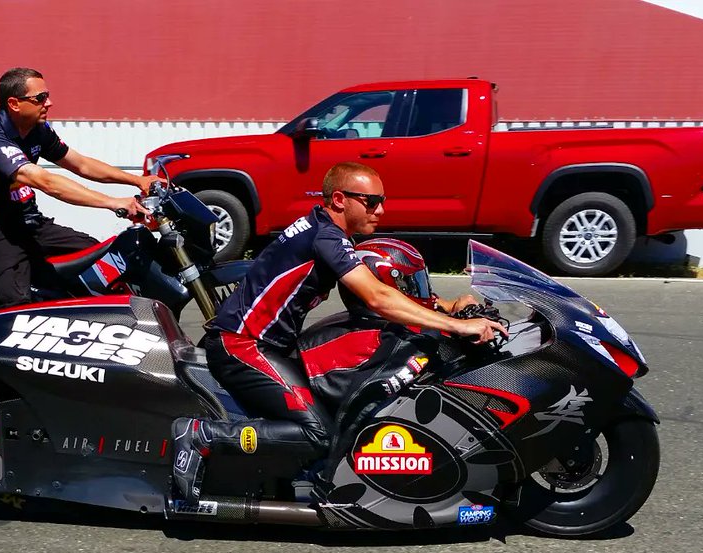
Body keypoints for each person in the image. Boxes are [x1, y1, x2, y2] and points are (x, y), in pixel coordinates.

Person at [171, 161, 507, 502]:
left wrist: (446, 305)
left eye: (382, 201)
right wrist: (457, 325)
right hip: (241, 346)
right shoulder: (326, 236)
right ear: (339, 200)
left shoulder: (323, 230)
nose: (381, 210)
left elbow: (387, 291)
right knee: (317, 433)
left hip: (268, 345)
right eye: (372, 202)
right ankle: (203, 435)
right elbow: (376, 297)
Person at [0, 67, 160, 307]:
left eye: (47, 95)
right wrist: (113, 202)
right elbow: (47, 182)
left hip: (30, 223)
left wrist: (138, 180)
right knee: (17, 307)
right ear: (14, 103)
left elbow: (82, 165)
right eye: (40, 98)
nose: (49, 103)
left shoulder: (37, 131)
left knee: (103, 263)